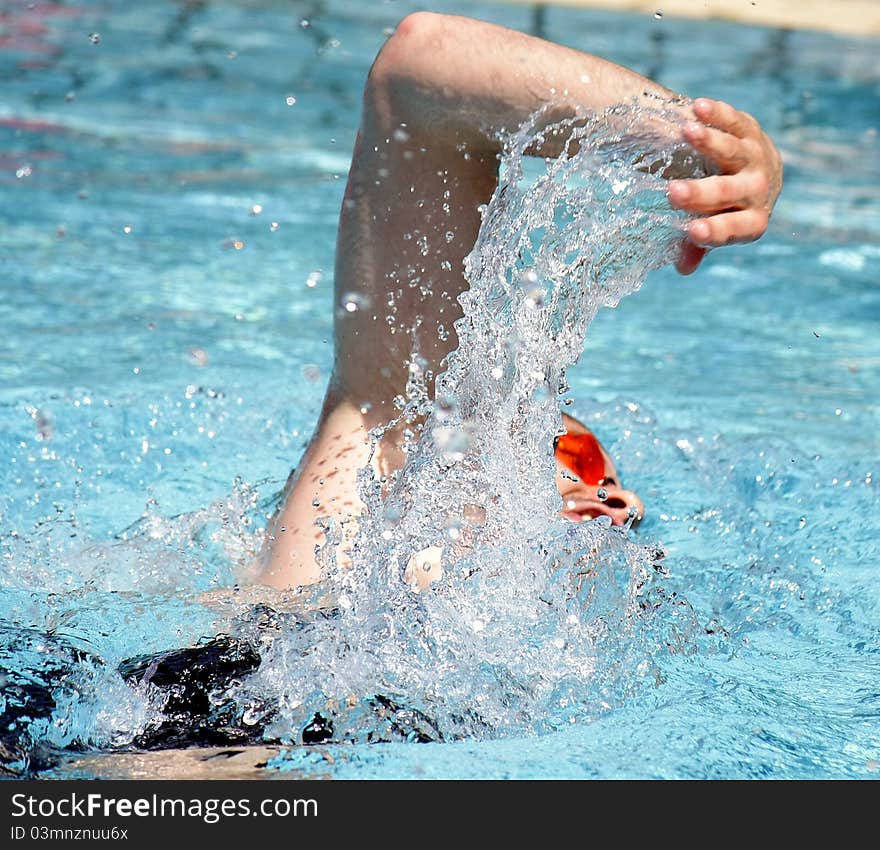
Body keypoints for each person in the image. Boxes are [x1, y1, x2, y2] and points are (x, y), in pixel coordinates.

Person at [253, 12, 783, 590]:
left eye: (594, 473)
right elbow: (420, 67)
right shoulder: (354, 503)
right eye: (565, 454)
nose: (604, 494)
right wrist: (702, 149)